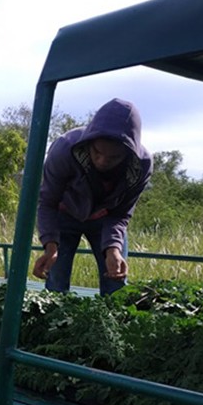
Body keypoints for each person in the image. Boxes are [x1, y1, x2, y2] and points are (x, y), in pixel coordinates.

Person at [32, 98, 153, 296]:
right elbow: (47, 203)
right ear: (89, 143)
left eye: (113, 157)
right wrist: (50, 245)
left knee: (116, 284)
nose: (103, 161)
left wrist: (113, 248)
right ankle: (56, 326)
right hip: (64, 215)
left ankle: (112, 325)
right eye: (97, 152)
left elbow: (121, 215)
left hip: (105, 220)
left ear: (128, 154)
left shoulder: (141, 166)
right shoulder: (65, 149)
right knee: (56, 282)